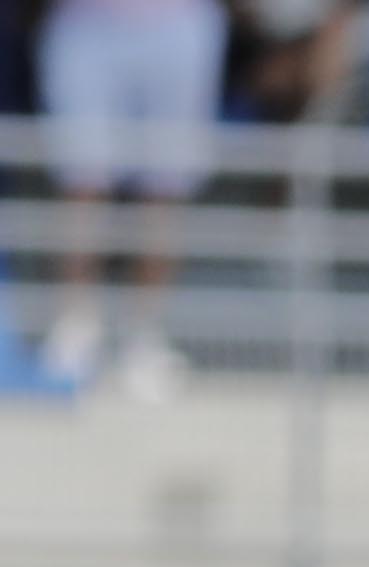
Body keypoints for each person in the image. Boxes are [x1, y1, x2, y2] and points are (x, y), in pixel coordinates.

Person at [33, 0, 230, 393]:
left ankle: (143, 337)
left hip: (180, 20)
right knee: (83, 182)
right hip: (85, 22)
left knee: (164, 189)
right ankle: (75, 329)